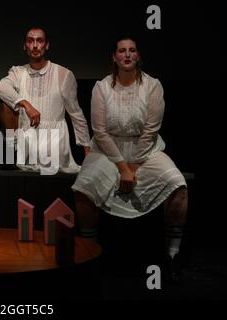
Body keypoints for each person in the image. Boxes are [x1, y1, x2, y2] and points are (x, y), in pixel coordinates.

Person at [71, 36, 188, 283]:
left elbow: (151, 130)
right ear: (113, 57)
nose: (127, 54)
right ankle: (88, 251)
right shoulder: (101, 87)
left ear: (138, 56)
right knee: (83, 186)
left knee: (177, 184)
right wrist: (123, 168)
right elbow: (100, 131)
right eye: (121, 51)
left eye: (132, 50)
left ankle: (172, 253)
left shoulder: (152, 86)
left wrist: (133, 166)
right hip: (107, 150)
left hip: (145, 150)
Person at [0, 27, 90, 174]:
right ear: (24, 46)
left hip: (52, 141)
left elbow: (76, 115)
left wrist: (87, 154)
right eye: (30, 41)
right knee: (5, 105)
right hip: (27, 139)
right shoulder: (18, 72)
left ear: (46, 45)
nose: (34, 45)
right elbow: (1, 88)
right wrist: (26, 104)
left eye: (39, 41)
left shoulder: (63, 74)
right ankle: (11, 152)